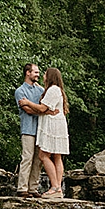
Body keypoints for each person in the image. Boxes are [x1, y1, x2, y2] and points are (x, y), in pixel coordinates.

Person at [34, 67, 69, 198]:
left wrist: (27, 103)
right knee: (57, 156)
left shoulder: (53, 89)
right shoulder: (55, 90)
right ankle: (58, 188)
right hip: (58, 124)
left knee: (43, 155)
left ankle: (55, 187)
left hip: (53, 125)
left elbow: (43, 107)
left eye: (45, 74)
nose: (43, 76)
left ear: (50, 76)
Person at [13, 63, 45, 197]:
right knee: (27, 157)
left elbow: (46, 107)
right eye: (35, 72)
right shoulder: (20, 91)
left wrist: (41, 110)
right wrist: (41, 110)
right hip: (27, 129)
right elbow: (27, 110)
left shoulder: (40, 90)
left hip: (41, 129)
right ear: (27, 73)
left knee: (39, 160)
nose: (38, 75)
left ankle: (33, 188)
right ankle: (22, 188)